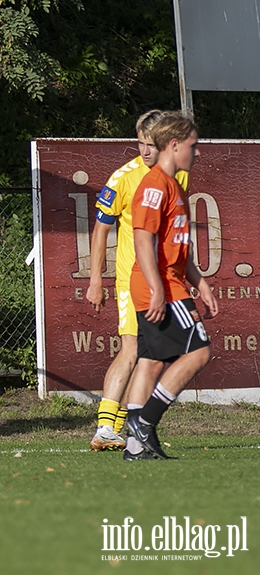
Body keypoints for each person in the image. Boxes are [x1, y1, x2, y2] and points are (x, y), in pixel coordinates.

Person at [85, 110, 190, 451]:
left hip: (163, 280)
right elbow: (101, 230)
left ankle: (122, 426)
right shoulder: (123, 178)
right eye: (140, 143)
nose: (144, 150)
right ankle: (106, 426)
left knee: (152, 354)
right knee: (132, 349)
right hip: (134, 280)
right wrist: (96, 280)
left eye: (150, 144)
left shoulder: (178, 175)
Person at [123, 112, 218, 461]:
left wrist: (201, 283)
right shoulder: (153, 185)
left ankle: (136, 448)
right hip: (160, 286)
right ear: (174, 145)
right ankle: (145, 422)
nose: (197, 153)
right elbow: (142, 241)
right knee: (199, 351)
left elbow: (176, 246)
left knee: (150, 362)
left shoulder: (174, 185)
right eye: (193, 146)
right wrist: (158, 289)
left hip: (170, 282)